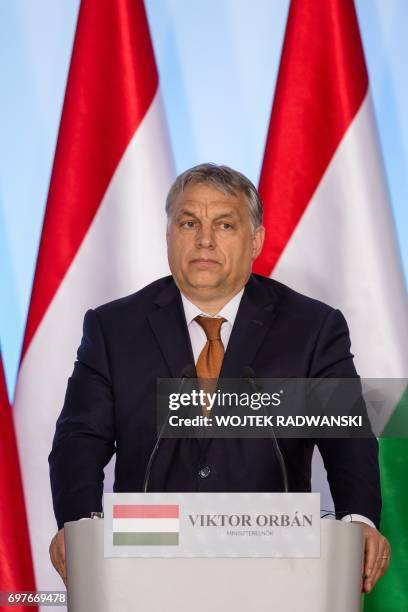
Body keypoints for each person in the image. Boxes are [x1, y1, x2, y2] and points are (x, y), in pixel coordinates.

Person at [49, 163, 390, 591]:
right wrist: (81, 525)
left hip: (278, 563)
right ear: (169, 233)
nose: (204, 239)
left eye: (225, 225)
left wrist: (357, 520)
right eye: (188, 222)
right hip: (144, 563)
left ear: (256, 240)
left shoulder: (311, 328)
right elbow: (79, 438)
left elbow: (349, 439)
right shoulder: (113, 328)